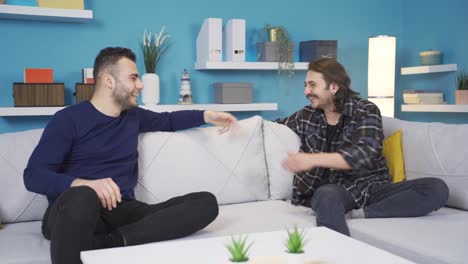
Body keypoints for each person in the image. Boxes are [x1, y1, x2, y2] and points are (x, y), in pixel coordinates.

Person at [23, 47, 238, 264]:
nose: (140, 85)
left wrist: (207, 115)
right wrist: (85, 184)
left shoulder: (132, 116)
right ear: (109, 80)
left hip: (122, 211)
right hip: (74, 212)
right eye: (134, 78)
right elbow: (33, 176)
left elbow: (168, 120)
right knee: (83, 196)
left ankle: (111, 243)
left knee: (206, 203)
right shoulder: (68, 119)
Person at [276, 58, 449, 236]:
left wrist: (311, 160)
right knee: (325, 195)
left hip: (371, 188)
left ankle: (363, 214)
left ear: (334, 87)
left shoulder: (365, 110)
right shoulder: (307, 115)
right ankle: (339, 254)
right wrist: (246, 126)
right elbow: (273, 126)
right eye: (306, 85)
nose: (306, 91)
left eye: (312, 85)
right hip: (336, 192)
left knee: (436, 188)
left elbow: (362, 154)